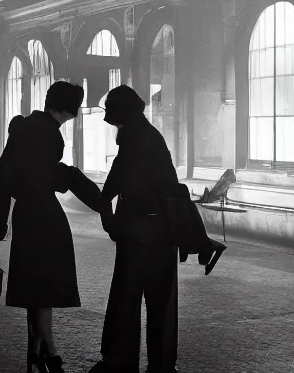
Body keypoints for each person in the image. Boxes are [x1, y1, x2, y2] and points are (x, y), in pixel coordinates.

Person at [0, 80, 99, 373]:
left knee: (36, 285)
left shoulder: (26, 128)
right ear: (69, 109)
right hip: (44, 215)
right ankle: (49, 351)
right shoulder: (47, 133)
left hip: (26, 215)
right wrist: (71, 179)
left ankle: (37, 353)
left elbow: (4, 177)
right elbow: (43, 175)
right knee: (44, 285)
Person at [90, 85, 185, 373]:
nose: (113, 126)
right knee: (161, 301)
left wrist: (108, 214)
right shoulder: (151, 135)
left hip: (138, 230)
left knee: (126, 296)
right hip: (163, 230)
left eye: (114, 118)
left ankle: (119, 360)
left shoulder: (133, 137)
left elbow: (118, 181)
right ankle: (162, 364)